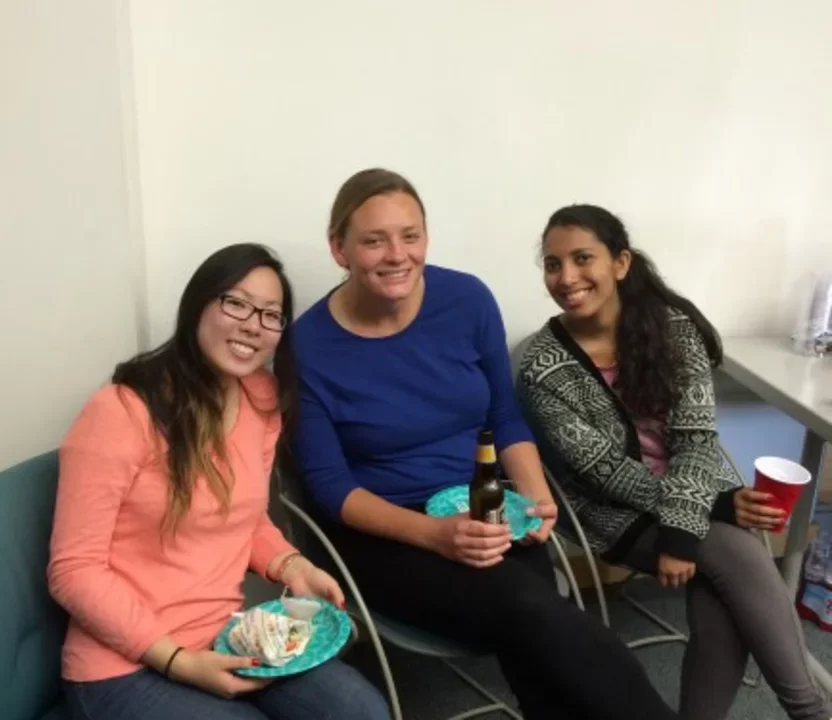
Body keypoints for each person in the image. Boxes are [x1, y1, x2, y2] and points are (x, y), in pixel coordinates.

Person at [288, 169, 679, 720]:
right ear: (339, 249)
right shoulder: (307, 347)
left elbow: (503, 416)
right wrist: (436, 536)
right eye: (374, 240)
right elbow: (330, 488)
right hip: (385, 531)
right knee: (531, 610)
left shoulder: (466, 300)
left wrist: (537, 500)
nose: (397, 254)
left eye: (411, 235)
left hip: (489, 506)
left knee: (537, 630)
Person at [47, 243, 390, 720]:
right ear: (198, 305)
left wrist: (292, 566)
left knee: (362, 712)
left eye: (271, 314)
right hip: (122, 665)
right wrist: (179, 662)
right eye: (236, 303)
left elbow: (244, 518)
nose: (253, 324)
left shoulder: (261, 398)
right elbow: (73, 571)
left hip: (227, 634)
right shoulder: (120, 411)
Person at [516, 204, 832, 720]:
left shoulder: (673, 330)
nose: (566, 277)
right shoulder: (541, 365)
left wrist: (697, 519)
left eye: (582, 258)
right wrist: (703, 517)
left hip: (701, 489)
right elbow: (606, 473)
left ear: (620, 263)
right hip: (613, 511)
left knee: (722, 578)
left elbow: (696, 438)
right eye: (553, 264)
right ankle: (812, 710)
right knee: (734, 548)